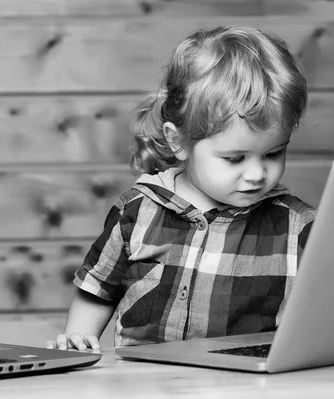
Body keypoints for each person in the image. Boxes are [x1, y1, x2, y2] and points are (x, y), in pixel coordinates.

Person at [47, 25, 315, 351]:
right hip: (143, 384)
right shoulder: (137, 212)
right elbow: (98, 289)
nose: (257, 173)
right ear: (178, 141)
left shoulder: (298, 226)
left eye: (274, 153)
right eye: (234, 158)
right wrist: (76, 341)